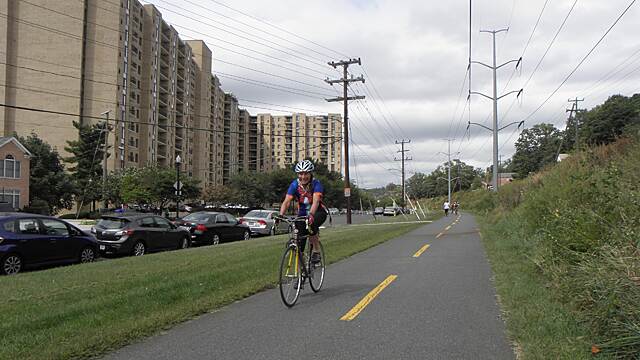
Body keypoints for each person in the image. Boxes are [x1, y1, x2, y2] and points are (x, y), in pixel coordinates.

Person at [279, 160, 328, 264]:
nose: (303, 176)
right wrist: (281, 215)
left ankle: (316, 250)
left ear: (310, 174)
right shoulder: (294, 185)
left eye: (306, 173)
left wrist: (311, 215)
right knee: (298, 238)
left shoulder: (316, 184)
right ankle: (301, 272)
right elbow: (287, 201)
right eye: (300, 174)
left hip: (318, 212)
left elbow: (315, 201)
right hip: (302, 214)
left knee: (311, 225)